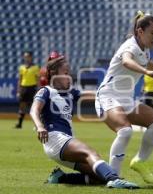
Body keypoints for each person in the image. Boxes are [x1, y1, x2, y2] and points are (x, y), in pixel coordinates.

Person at [30, 54, 138, 189]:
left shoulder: (71, 93)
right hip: (55, 139)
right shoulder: (46, 91)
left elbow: (95, 96)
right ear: (53, 74)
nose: (69, 76)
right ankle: (114, 179)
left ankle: (60, 177)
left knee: (98, 177)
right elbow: (34, 110)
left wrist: (112, 97)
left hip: (63, 144)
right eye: (66, 73)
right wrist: (40, 126)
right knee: (90, 153)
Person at [95, 11, 153, 184]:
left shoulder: (145, 50)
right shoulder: (130, 46)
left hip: (126, 99)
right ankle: (113, 177)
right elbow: (127, 61)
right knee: (125, 131)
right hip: (107, 96)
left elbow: (144, 61)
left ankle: (140, 161)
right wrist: (147, 72)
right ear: (140, 32)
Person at [15, 51, 40, 128]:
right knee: (22, 106)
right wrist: (18, 91)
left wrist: (38, 90)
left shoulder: (36, 67)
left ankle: (37, 125)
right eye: (25, 56)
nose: (26, 58)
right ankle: (19, 124)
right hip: (23, 88)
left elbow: (38, 79)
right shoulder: (21, 67)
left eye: (28, 56)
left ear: (31, 57)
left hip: (32, 88)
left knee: (34, 107)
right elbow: (20, 79)